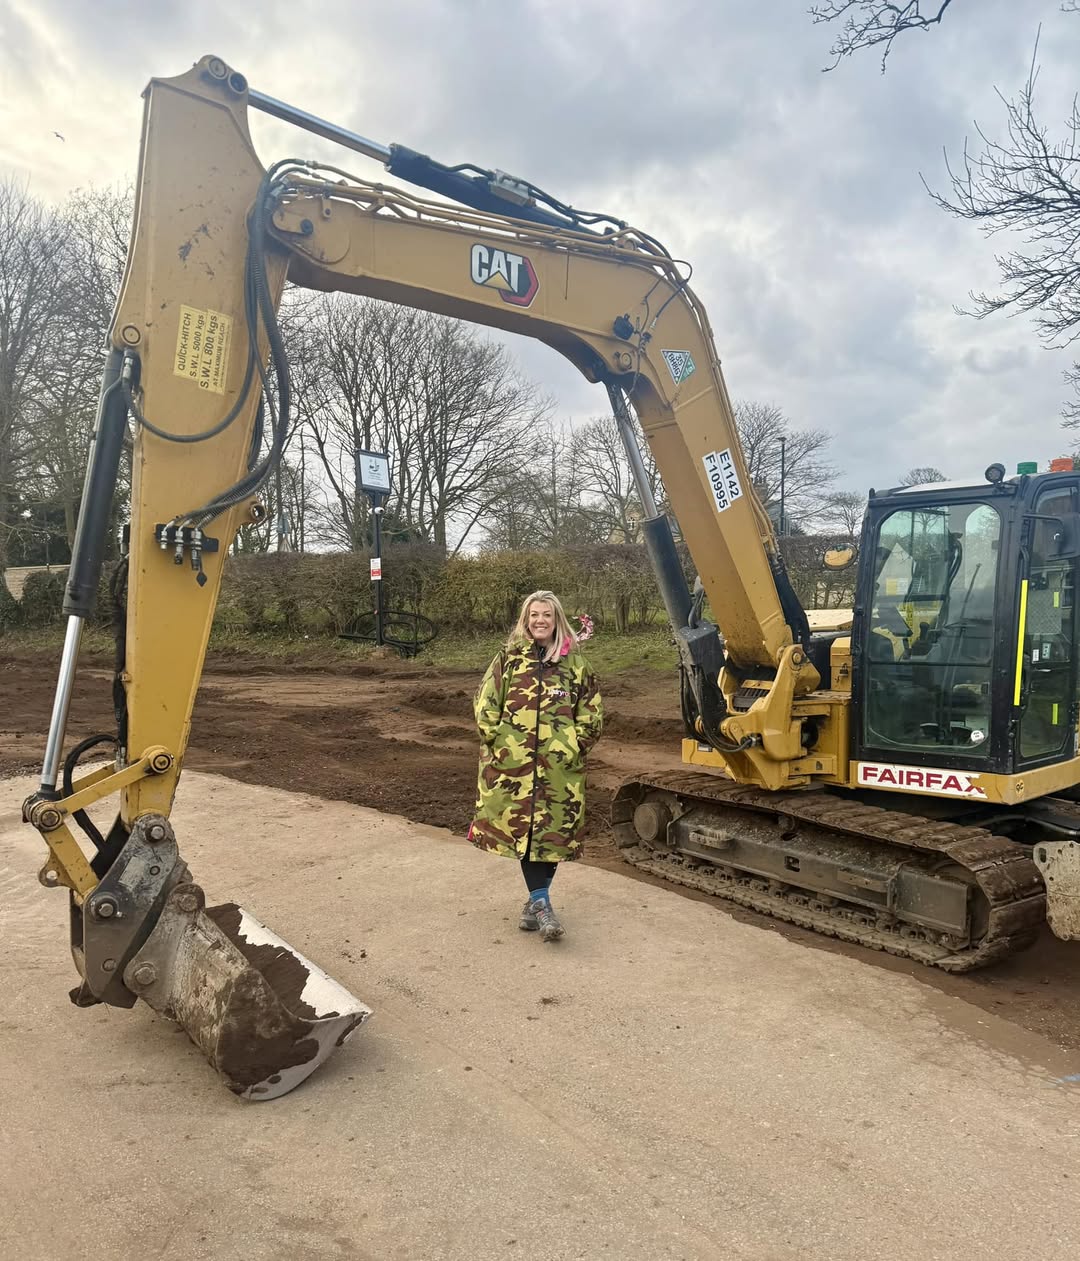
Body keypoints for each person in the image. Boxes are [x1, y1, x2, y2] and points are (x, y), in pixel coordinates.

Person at [468, 590, 603, 942]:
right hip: (512, 768)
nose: (540, 620)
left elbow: (591, 712)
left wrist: (574, 746)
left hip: (559, 770)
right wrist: (498, 743)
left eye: (546, 615)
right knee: (523, 833)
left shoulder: (575, 664)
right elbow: (485, 704)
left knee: (552, 835)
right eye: (534, 615)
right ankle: (542, 905)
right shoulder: (509, 658)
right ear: (526, 621)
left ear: (557, 620)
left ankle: (535, 902)